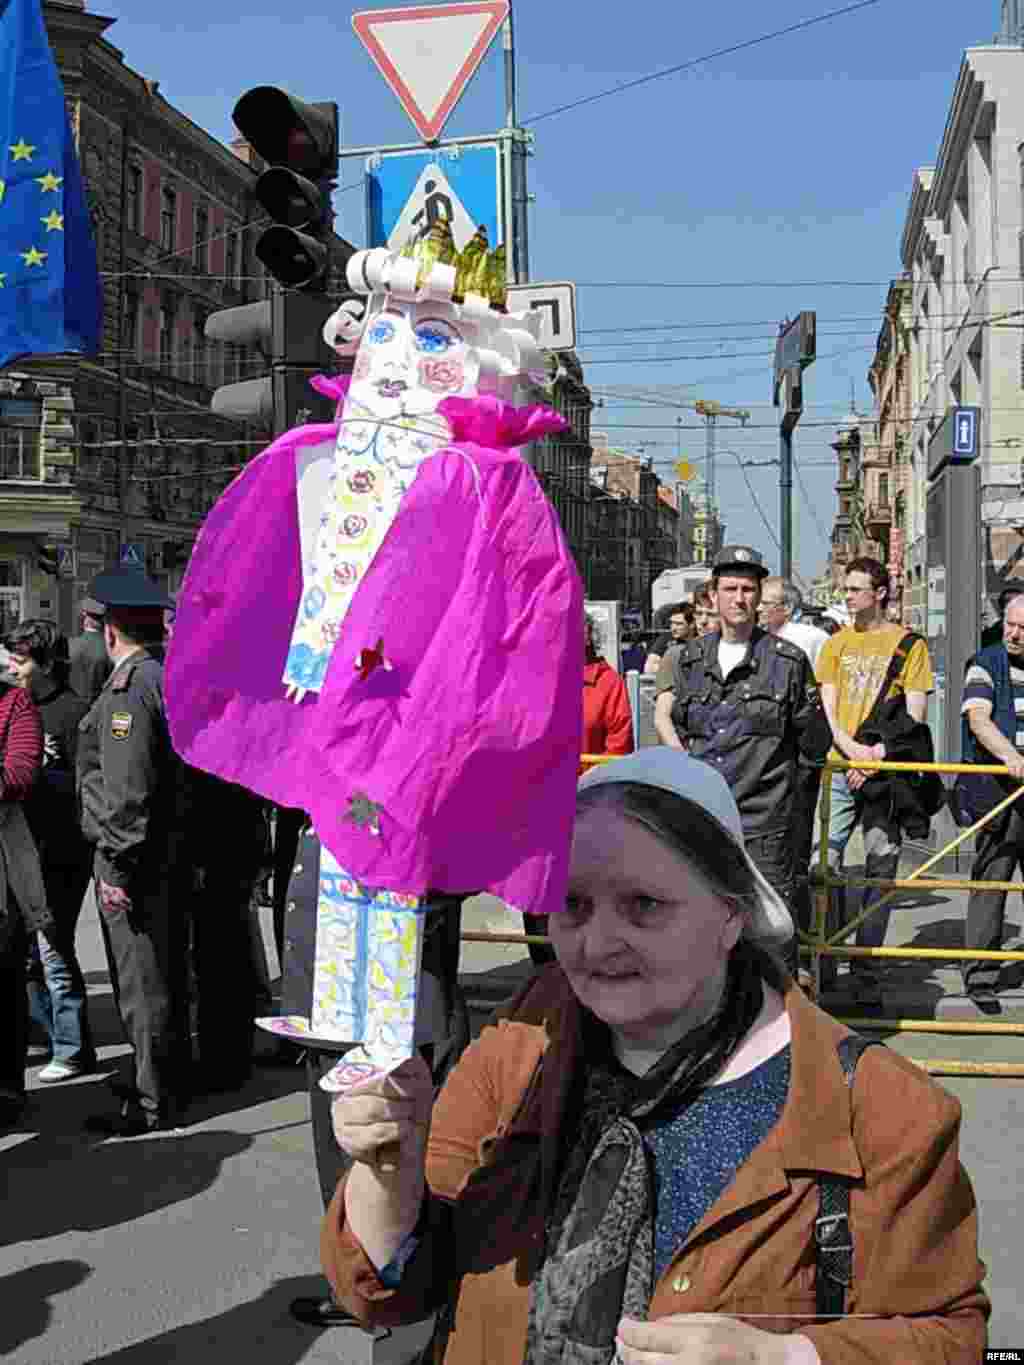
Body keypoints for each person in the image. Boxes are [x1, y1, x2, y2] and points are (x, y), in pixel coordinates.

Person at [321, 749, 989, 1365]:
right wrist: (389, 1171)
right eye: (573, 904)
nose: (596, 942)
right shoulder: (526, 1033)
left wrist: (782, 1357)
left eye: (644, 905)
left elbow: (950, 1338)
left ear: (732, 916)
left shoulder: (879, 1110)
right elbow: (395, 1288)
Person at [277, 822, 470, 1330]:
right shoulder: (338, 785)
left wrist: (400, 896)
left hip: (386, 1005)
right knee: (342, 1156)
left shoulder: (410, 789)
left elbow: (457, 867)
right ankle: (355, 1281)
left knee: (390, 1162)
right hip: (332, 1006)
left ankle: (391, 1307)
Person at [653, 546, 829, 979]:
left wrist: (793, 814)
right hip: (704, 818)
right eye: (730, 589)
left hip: (765, 824)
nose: (739, 598)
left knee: (772, 936)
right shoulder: (689, 660)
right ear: (713, 596)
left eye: (748, 589)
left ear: (759, 597)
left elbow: (813, 744)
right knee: (700, 929)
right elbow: (674, 728)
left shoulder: (788, 662)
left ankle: (779, 1016)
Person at [76, 567, 192, 1135]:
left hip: (136, 859)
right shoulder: (158, 676)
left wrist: (117, 867)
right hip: (163, 852)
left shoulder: (130, 689)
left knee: (141, 982)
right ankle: (162, 1078)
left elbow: (127, 791)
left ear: (110, 629)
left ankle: (151, 1100)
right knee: (160, 972)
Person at [815, 558, 933, 1007]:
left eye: (855, 589)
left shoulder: (909, 645)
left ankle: (866, 968)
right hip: (839, 767)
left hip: (886, 776)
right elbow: (828, 711)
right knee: (824, 866)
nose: (847, 596)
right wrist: (852, 752)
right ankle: (826, 961)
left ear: (880, 593)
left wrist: (875, 758)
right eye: (845, 588)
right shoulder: (835, 644)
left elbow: (914, 718)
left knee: (881, 868)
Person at [5, 620, 95, 1081]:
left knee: (54, 949)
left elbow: (89, 785)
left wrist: (48, 771)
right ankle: (46, 1031)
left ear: (44, 664)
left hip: (61, 850)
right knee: (22, 955)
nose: (12, 668)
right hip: (21, 851)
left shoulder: (75, 712)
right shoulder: (14, 706)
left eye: (20, 660)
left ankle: (73, 1047)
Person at [526, 613, 634, 967]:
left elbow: (618, 748)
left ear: (589, 635)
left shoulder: (608, 683)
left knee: (581, 892)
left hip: (587, 808)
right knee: (537, 894)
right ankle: (544, 972)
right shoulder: (537, 676)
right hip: (538, 806)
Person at [759, 579, 831, 955]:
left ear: (786, 608)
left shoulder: (809, 640)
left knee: (798, 858)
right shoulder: (753, 644)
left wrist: (808, 763)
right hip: (764, 773)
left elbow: (821, 700)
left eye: (766, 602)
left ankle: (803, 948)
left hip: (798, 768)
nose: (758, 608)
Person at [960, 593, 1024, 1006]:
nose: (1013, 635)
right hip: (999, 791)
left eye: (1023, 629)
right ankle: (981, 976)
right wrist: (1011, 757)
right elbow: (979, 719)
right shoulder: (986, 663)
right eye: (1010, 625)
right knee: (990, 881)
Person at [0, 673, 46, 1128]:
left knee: (5, 978)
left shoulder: (15, 704)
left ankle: (7, 1088)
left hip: (3, 869)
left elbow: (18, 776)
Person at [758, 578, 829, 673]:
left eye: (765, 604)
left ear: (788, 608)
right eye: (757, 602)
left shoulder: (812, 638)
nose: (759, 608)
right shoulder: (757, 637)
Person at [68, 596, 113, 704]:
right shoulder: (112, 649)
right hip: (101, 708)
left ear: (84, 614)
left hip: (72, 708)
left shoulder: (69, 645)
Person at [643, 602, 694, 675]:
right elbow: (649, 667)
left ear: (692, 624)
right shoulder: (667, 638)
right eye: (672, 623)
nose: (673, 628)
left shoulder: (700, 640)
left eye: (679, 624)